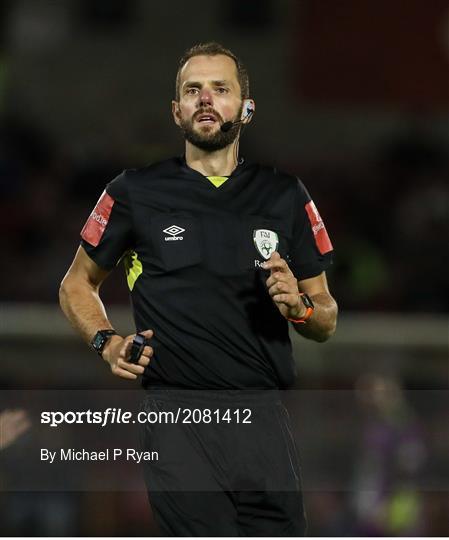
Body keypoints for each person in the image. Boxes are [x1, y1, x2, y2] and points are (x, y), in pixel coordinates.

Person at [59, 42, 338, 536]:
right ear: (176, 111)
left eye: (220, 89)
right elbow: (76, 284)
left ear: (246, 108)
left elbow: (326, 318)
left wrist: (298, 307)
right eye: (193, 90)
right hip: (178, 416)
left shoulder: (285, 194)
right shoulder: (133, 192)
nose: (205, 99)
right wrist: (106, 342)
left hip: (263, 419)